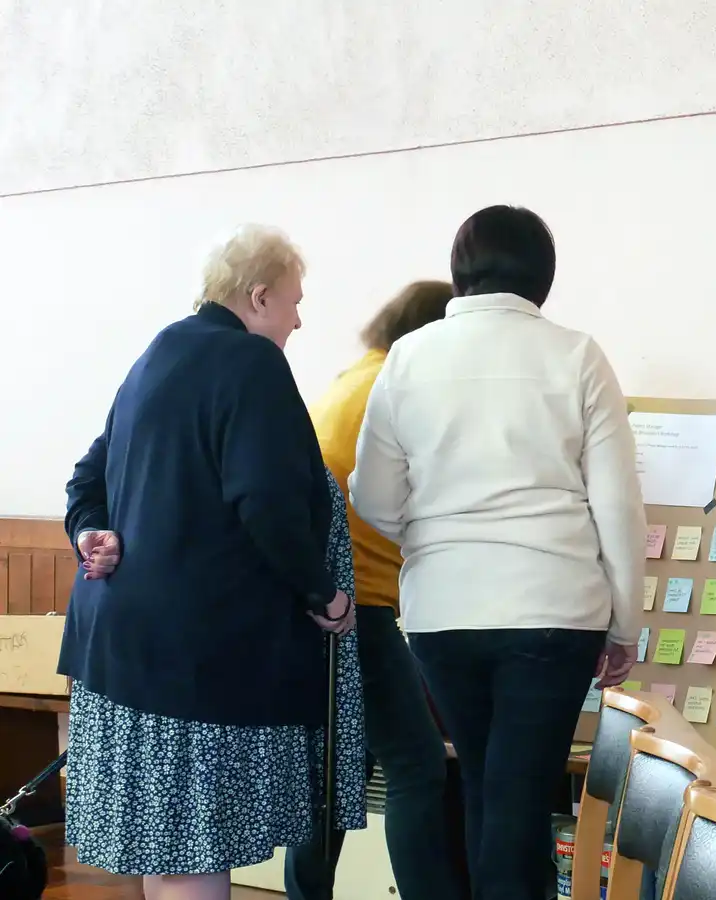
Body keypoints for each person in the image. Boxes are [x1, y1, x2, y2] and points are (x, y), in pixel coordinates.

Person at [58, 225, 367, 900]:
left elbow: (87, 480)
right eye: (293, 301)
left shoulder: (158, 353)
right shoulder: (251, 364)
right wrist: (324, 597)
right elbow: (270, 502)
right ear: (257, 297)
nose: (299, 318)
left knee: (165, 850)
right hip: (197, 659)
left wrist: (90, 533)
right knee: (192, 855)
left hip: (123, 653)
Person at [349, 206, 647, 900]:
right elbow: (618, 505)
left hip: (442, 614)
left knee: (486, 782)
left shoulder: (408, 357)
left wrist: (435, 535)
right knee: (516, 793)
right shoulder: (577, 355)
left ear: (461, 273)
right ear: (543, 276)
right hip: (554, 610)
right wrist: (626, 624)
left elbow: (373, 497)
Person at [284, 281, 462, 900]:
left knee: (337, 771)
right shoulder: (396, 388)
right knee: (415, 762)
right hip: (359, 602)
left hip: (329, 597)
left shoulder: (354, 378)